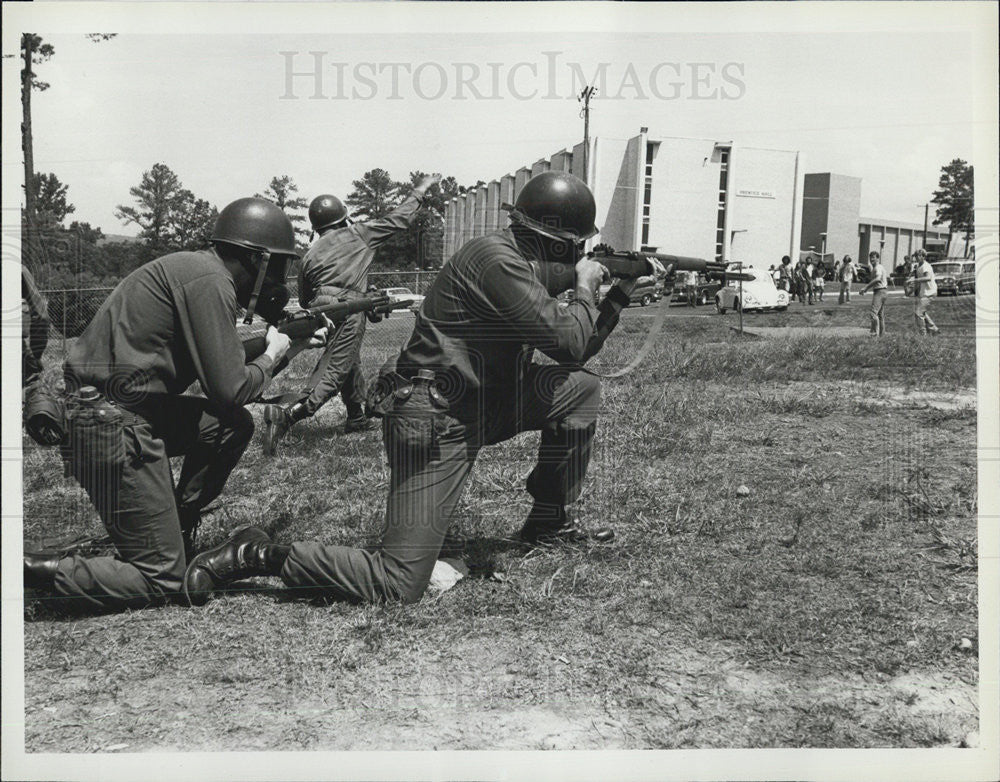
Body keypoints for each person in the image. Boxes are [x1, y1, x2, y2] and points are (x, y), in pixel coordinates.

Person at [184, 171, 657, 607]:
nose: (579, 259)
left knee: (578, 390)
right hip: (435, 418)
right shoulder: (495, 260)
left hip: (487, 402)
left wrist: (615, 294)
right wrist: (584, 288)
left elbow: (576, 353)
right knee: (398, 582)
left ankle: (548, 518)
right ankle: (255, 553)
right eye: (575, 249)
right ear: (556, 243)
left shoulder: (523, 264)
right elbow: (570, 339)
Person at [23, 198, 328, 612]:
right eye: (277, 265)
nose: (281, 278)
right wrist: (274, 355)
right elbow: (232, 388)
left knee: (229, 425)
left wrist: (288, 346)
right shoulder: (211, 282)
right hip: (112, 424)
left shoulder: (197, 269)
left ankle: (175, 522)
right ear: (255, 259)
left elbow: (219, 360)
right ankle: (30, 570)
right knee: (162, 581)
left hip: (115, 412)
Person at [262, 173, 442, 455]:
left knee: (349, 359)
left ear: (316, 227)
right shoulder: (358, 233)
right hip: (347, 305)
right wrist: (420, 190)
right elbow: (400, 218)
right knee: (334, 370)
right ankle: (287, 415)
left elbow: (310, 298)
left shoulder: (310, 254)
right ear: (344, 219)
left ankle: (356, 416)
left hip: (324, 306)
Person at [910, 248, 940, 335]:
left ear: (923, 257)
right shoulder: (919, 266)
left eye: (919, 256)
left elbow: (927, 278)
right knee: (922, 312)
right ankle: (934, 329)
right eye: (916, 256)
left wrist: (915, 280)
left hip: (930, 292)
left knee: (918, 313)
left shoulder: (926, 266)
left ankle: (923, 334)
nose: (917, 257)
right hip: (924, 292)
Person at [859, 250, 888, 336]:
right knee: (880, 315)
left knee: (873, 313)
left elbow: (878, 278)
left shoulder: (878, 267)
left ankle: (875, 334)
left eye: (874, 257)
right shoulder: (878, 267)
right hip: (883, 291)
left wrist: (866, 288)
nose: (872, 259)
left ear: (878, 258)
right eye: (870, 257)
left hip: (880, 291)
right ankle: (882, 335)